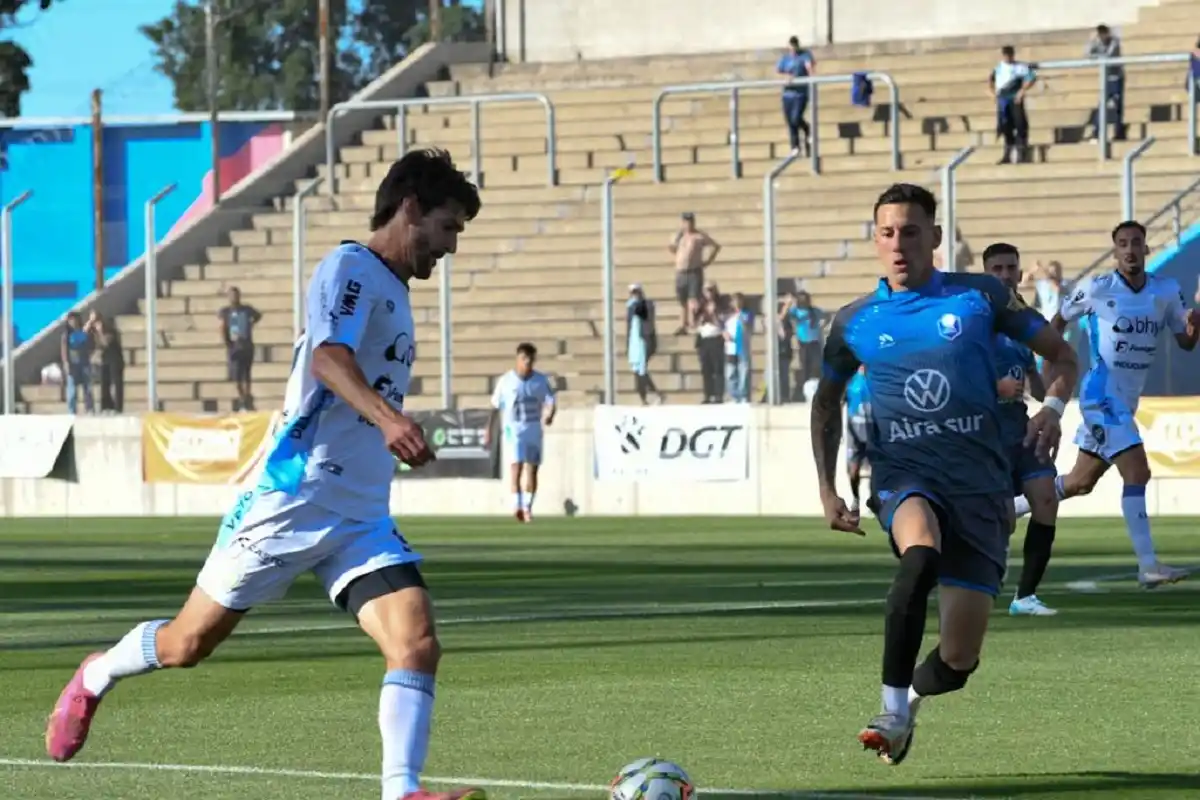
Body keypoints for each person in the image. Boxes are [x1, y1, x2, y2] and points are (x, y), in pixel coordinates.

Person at [45, 148, 486, 800]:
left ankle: (401, 791)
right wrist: (390, 421)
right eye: (448, 227)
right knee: (187, 643)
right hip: (293, 496)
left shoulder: (393, 287)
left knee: (416, 640)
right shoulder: (352, 267)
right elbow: (328, 360)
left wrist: (382, 425)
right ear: (411, 209)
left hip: (359, 512)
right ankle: (96, 675)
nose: (450, 247)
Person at [810, 183, 1078, 766]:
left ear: (935, 236)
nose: (898, 244)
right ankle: (888, 706)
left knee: (957, 662)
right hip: (906, 474)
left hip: (981, 489)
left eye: (911, 231)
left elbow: (1063, 357)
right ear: (875, 239)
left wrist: (1053, 410)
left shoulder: (981, 298)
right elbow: (826, 403)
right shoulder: (855, 321)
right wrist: (828, 489)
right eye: (887, 233)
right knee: (920, 551)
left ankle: (908, 701)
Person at [1013, 221, 1200, 588]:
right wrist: (1051, 366)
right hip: (1101, 396)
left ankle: (1007, 509)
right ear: (1115, 251)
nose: (1130, 250)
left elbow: (1186, 342)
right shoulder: (1096, 289)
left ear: (1146, 249)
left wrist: (1197, 319)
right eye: (1122, 244)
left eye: (1136, 243)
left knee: (1081, 482)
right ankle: (1148, 566)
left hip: (1125, 401)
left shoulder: (1165, 291)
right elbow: (1056, 323)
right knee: (1138, 473)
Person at [982, 243, 1060, 616]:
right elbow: (948, 375)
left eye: (1010, 268)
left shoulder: (1025, 323)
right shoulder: (972, 320)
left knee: (1046, 498)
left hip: (1020, 425)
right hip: (983, 430)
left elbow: (1034, 380)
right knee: (1000, 519)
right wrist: (993, 387)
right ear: (985, 274)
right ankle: (975, 584)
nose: (1004, 275)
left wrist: (1051, 404)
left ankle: (1025, 596)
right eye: (996, 268)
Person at [486, 342, 557, 522]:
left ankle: (527, 507)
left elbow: (551, 401)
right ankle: (517, 505)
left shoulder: (540, 381)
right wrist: (489, 429)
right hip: (513, 428)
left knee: (532, 469)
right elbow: (494, 407)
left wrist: (550, 415)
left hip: (533, 428)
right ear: (517, 359)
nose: (527, 363)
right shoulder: (506, 381)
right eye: (524, 359)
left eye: (530, 359)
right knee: (516, 466)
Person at [218, 286, 262, 411]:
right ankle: (242, 397)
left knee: (247, 373)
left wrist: (250, 324)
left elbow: (258, 316)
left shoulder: (246, 309)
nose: (234, 298)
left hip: (247, 345)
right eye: (231, 295)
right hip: (234, 346)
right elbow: (222, 326)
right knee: (236, 375)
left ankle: (247, 398)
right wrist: (227, 342)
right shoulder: (225, 312)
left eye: (236, 295)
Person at [776, 35, 816, 155]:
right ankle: (795, 146)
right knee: (790, 122)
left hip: (800, 94)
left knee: (796, 118)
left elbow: (810, 68)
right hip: (787, 94)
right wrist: (785, 77)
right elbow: (778, 72)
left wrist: (810, 73)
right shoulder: (785, 58)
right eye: (791, 46)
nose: (793, 49)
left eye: (795, 46)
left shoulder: (805, 55)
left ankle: (806, 128)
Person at [626, 283, 665, 405]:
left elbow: (647, 319)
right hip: (634, 341)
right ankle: (645, 397)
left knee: (641, 370)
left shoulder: (647, 304)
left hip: (644, 341)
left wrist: (635, 305)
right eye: (633, 293)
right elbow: (629, 326)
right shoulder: (630, 306)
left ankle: (654, 394)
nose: (635, 295)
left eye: (637, 292)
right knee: (637, 371)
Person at [844, 365, 870, 513]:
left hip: (873, 430)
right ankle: (856, 499)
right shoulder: (850, 382)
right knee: (853, 470)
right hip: (854, 432)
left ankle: (873, 500)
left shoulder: (876, 380)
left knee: (877, 469)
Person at [61, 311, 94, 415]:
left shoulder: (84, 331)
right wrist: (66, 362)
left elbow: (91, 345)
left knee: (87, 389)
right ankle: (72, 411)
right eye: (71, 320)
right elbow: (64, 349)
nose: (73, 322)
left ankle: (89, 409)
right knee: (72, 391)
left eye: (75, 320)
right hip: (72, 364)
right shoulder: (66, 335)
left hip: (84, 363)